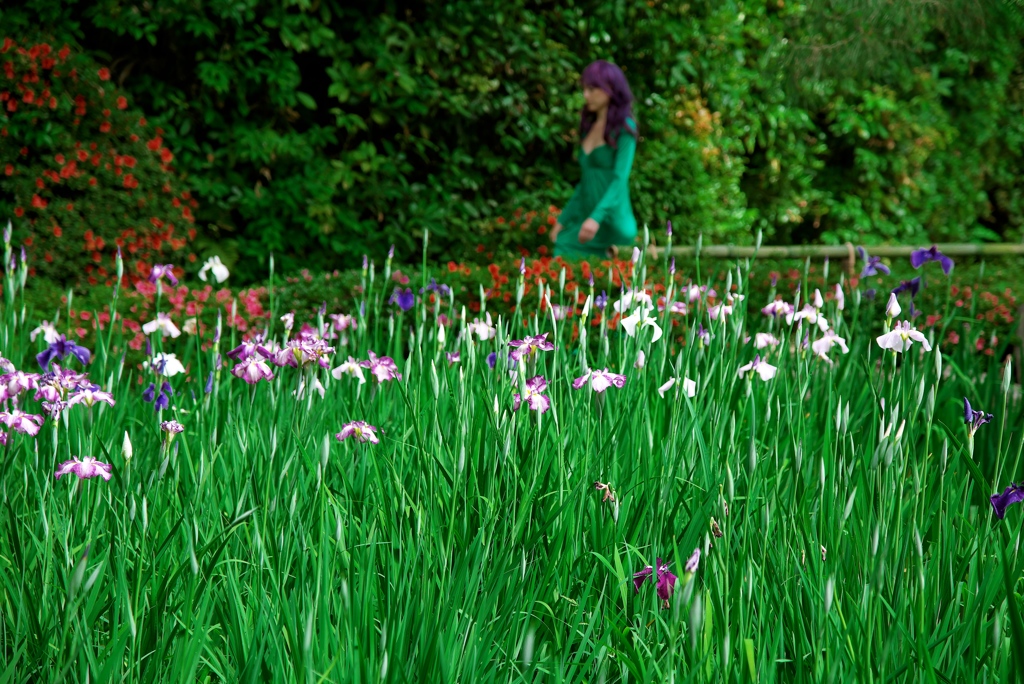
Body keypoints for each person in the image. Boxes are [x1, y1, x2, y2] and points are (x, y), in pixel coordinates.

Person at [551, 60, 639, 259]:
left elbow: (620, 178)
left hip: (611, 223)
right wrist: (563, 220)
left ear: (610, 88)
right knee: (561, 249)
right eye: (584, 89)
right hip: (587, 222)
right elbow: (585, 184)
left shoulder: (624, 129)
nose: (586, 95)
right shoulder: (589, 127)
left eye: (592, 89)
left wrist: (596, 218)